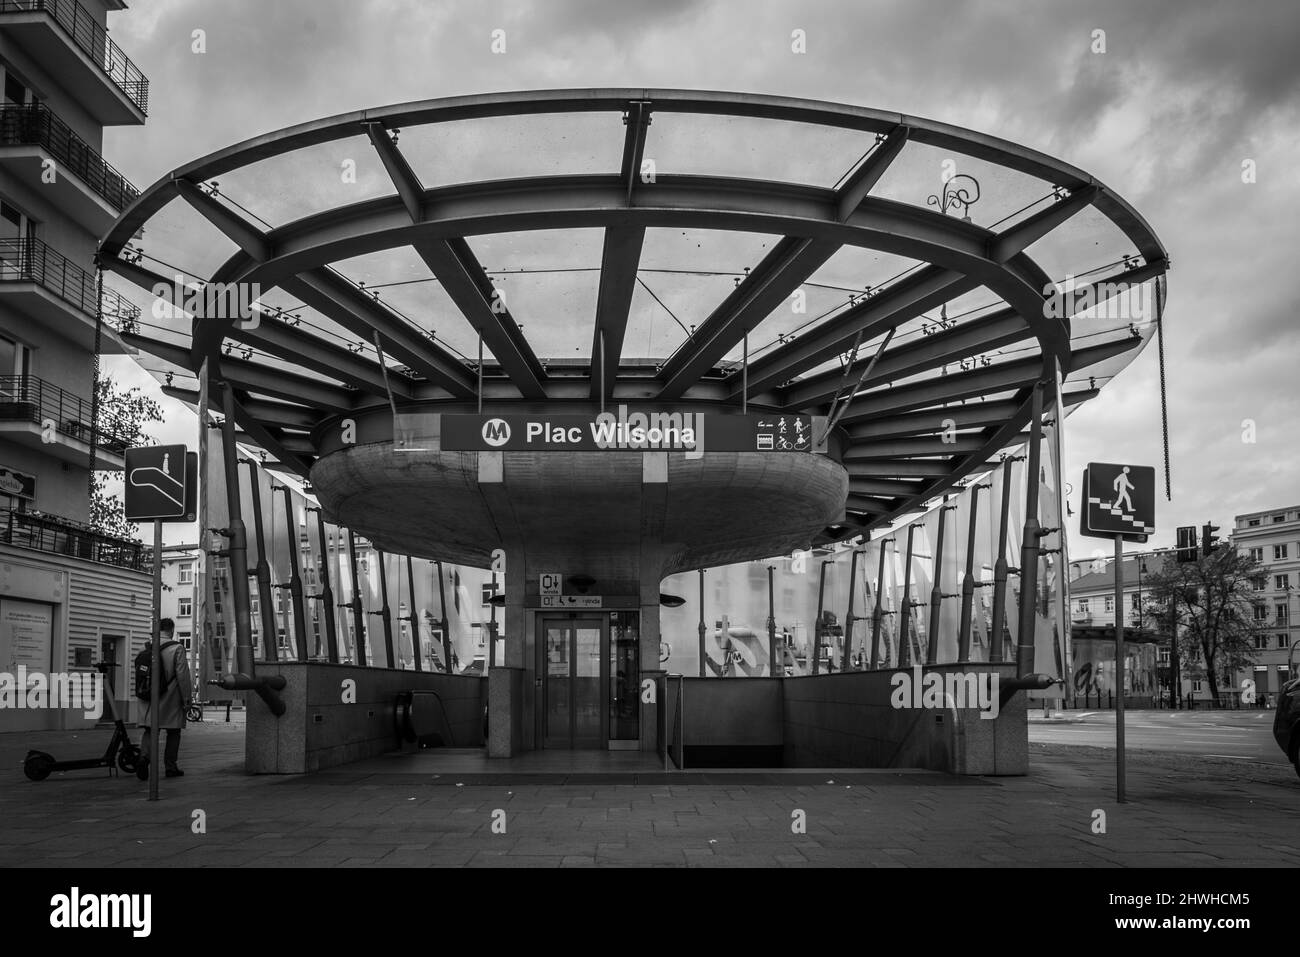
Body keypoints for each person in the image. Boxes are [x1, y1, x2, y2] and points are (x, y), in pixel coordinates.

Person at [136, 618, 193, 780]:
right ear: (171, 630)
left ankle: (143, 758)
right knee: (173, 731)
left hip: (148, 697)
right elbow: (182, 676)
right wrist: (187, 700)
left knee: (150, 729)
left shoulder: (145, 647)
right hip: (170, 697)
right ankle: (170, 766)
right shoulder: (177, 648)